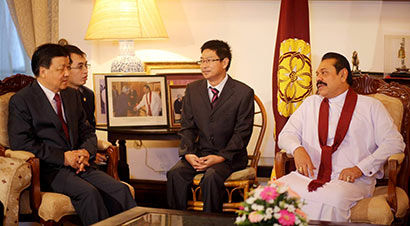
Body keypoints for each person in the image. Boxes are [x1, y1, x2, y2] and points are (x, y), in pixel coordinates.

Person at [8, 43, 136, 226]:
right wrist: (64, 157)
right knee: (89, 193)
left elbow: (87, 131)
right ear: (43, 71)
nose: (67, 73)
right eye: (62, 69)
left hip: (81, 164)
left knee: (120, 190)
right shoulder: (22, 101)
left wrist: (85, 152)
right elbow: (22, 143)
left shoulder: (71, 95)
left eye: (68, 67)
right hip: (49, 170)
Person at [277, 52, 405, 222]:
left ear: (343, 75)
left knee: (333, 198)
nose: (318, 79)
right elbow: (285, 135)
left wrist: (360, 168)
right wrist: (297, 149)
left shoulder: (371, 107)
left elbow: (394, 143)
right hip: (310, 176)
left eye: (324, 73)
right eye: (317, 74)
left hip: (352, 181)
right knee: (273, 192)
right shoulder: (310, 104)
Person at [166, 40, 254, 213]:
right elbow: (187, 127)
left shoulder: (243, 93)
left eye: (209, 60)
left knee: (212, 177)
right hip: (200, 153)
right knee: (175, 174)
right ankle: (177, 221)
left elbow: (242, 133)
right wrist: (189, 153)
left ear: (225, 62)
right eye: (201, 61)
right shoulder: (193, 90)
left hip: (230, 157)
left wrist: (220, 157)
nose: (204, 66)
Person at [63, 44, 107, 164]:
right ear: (65, 69)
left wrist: (90, 153)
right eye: (80, 67)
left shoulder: (88, 94)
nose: (86, 71)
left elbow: (89, 131)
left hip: (85, 153)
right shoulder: (57, 96)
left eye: (86, 65)